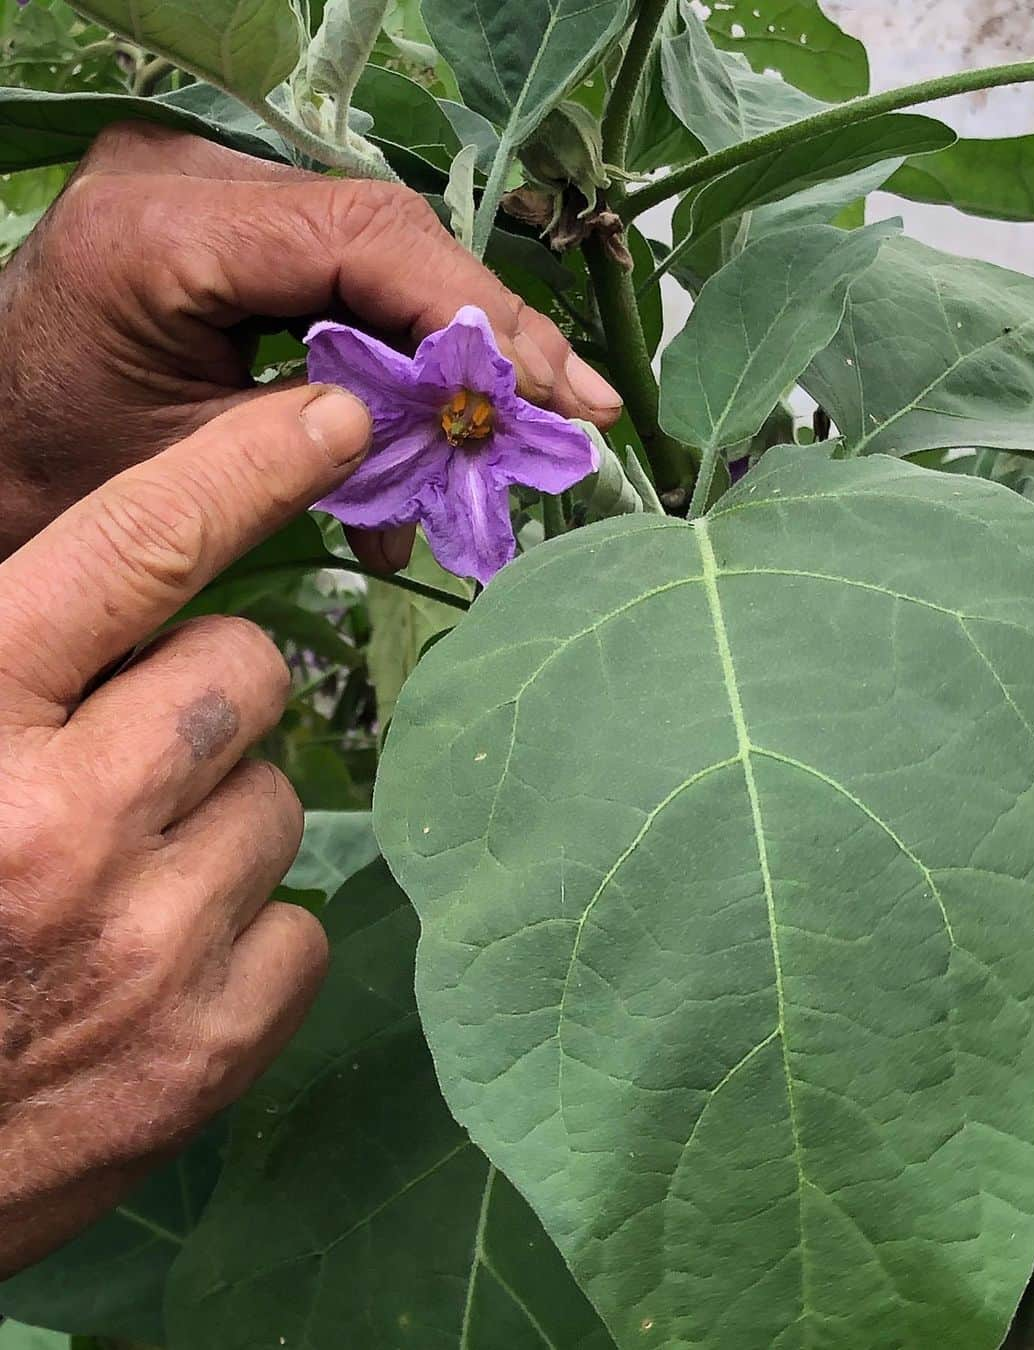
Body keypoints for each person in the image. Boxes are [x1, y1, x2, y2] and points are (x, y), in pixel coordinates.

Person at [0, 122, 622, 1275]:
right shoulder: (447, 420)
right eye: (466, 412)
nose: (469, 420)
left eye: (473, 417)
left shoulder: (444, 428)